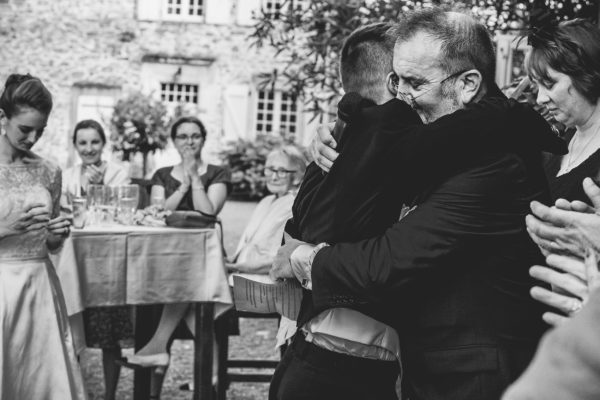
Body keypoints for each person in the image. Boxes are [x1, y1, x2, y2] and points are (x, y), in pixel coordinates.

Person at [271, 9, 566, 400]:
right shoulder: (450, 135)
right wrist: (338, 138)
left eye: (414, 83)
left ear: (467, 84)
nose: (402, 98)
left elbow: (387, 262)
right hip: (431, 367)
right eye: (396, 80)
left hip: (472, 378)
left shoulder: (495, 164)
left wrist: (300, 257)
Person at [123, 116, 230, 390]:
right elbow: (159, 211)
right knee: (191, 300)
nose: (189, 142)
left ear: (203, 139)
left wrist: (194, 176)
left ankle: (156, 353)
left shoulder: (218, 173)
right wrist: (182, 184)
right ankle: (212, 373)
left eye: (195, 136)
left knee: (187, 281)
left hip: (205, 259)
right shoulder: (161, 174)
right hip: (162, 257)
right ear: (174, 141)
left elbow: (208, 211)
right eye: (183, 136)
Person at [0, 73, 86, 399]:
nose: (33, 138)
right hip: (2, 289)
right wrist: (7, 228)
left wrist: (56, 234)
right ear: (2, 117)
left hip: (40, 287)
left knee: (40, 378)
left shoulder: (49, 171)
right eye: (25, 129)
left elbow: (50, 245)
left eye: (41, 130)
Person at [61, 119, 131, 400]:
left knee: (109, 335)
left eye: (94, 142)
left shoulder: (119, 173)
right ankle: (76, 392)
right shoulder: (66, 176)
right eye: (83, 143)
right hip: (75, 262)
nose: (89, 148)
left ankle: (110, 395)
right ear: (75, 145)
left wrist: (99, 187)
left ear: (103, 144)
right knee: (72, 332)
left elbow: (119, 215)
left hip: (107, 263)